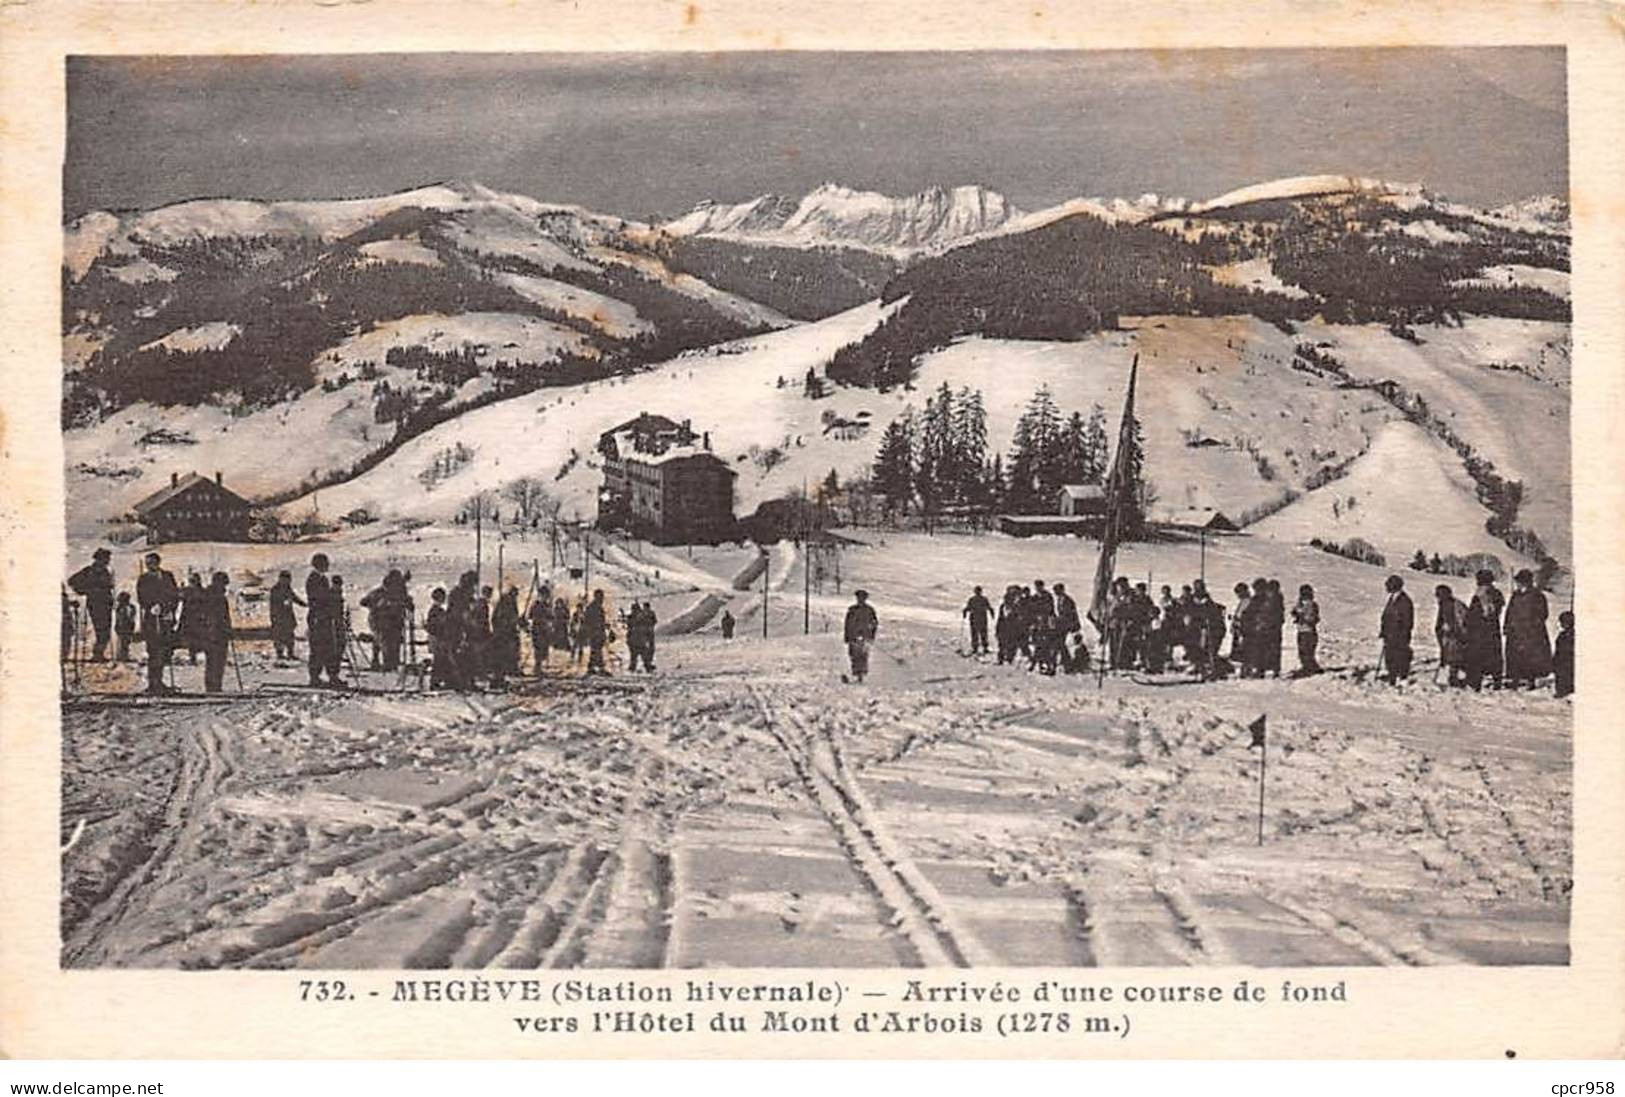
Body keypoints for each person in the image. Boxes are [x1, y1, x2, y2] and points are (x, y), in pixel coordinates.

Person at [136, 552, 180, 695]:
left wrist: (169, 609)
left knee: (164, 651)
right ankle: (153, 684)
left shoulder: (167, 576)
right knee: (153, 651)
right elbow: (141, 597)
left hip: (166, 619)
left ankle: (159, 682)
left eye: (152, 562)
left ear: (158, 562)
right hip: (151, 619)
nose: (149, 565)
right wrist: (150, 607)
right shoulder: (143, 579)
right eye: (147, 563)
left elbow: (174, 595)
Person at [1504, 568, 1552, 689]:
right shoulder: (1515, 595)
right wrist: (1506, 625)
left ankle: (1531, 680)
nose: (1518, 584)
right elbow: (1509, 611)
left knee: (1530, 656)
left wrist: (1533, 626)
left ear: (1527, 582)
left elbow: (1543, 614)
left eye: (1520, 581)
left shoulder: (1538, 595)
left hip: (1531, 632)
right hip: (1515, 631)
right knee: (1514, 655)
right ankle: (1515, 680)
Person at [67, 547, 115, 661]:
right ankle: (97, 654)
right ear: (99, 559)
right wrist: (85, 591)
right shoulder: (89, 571)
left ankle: (99, 653)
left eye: (108, 559)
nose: (108, 561)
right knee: (101, 630)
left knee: (106, 630)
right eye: (106, 558)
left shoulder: (106, 571)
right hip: (95, 603)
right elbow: (72, 581)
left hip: (106, 604)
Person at [361, 569, 413, 672]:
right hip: (379, 621)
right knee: (383, 642)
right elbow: (364, 602)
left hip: (395, 621)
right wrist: (378, 605)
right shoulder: (379, 592)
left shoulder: (400, 590)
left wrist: (407, 605)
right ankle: (385, 663)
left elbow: (406, 601)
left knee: (394, 641)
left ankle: (392, 663)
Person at [305, 553, 343, 687]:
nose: (328, 566)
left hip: (325, 619)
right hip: (318, 618)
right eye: (325, 563)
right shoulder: (313, 579)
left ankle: (332, 676)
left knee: (329, 648)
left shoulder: (323, 579)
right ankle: (315, 678)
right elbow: (319, 599)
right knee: (317, 649)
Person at [1466, 569, 1506, 691]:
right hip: (1492, 629)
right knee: (1493, 655)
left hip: (1480, 631)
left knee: (1478, 656)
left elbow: (1474, 614)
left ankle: (1476, 682)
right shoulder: (1496, 593)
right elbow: (1498, 610)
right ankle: (1496, 680)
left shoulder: (1480, 594)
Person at [199, 571, 234, 693]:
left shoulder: (211, 595)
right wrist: (225, 629)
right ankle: (214, 687)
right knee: (216, 661)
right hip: (216, 634)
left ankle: (214, 686)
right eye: (224, 584)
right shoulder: (215, 597)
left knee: (214, 661)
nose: (225, 587)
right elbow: (216, 617)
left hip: (216, 633)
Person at [1379, 574, 1415, 684]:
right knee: (1390, 656)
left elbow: (1407, 620)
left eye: (1389, 585)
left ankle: (1402, 677)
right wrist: (1383, 630)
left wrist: (1402, 633)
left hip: (1399, 635)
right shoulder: (1392, 598)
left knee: (1400, 656)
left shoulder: (1405, 600)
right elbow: (1386, 616)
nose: (1386, 587)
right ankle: (1392, 676)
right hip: (1390, 634)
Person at [1434, 584, 1470, 688]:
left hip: (1456, 637)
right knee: (1449, 657)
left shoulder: (1454, 605)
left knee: (1455, 658)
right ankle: (1450, 678)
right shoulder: (1444, 604)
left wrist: (1457, 633)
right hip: (1449, 637)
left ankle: (1455, 679)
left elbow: (1462, 622)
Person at [843, 589, 879, 683]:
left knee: (863, 656)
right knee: (854, 656)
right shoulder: (852, 610)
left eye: (862, 598)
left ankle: (861, 675)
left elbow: (874, 623)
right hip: (853, 636)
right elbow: (847, 624)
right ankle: (855, 674)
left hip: (865, 637)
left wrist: (872, 635)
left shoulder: (870, 611)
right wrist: (847, 636)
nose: (860, 599)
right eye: (859, 598)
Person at [268, 570, 303, 661]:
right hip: (279, 616)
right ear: (280, 579)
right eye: (285, 579)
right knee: (279, 636)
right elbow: (274, 605)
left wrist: (304, 604)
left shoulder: (288, 588)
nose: (287, 582)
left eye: (288, 580)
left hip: (288, 616)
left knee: (290, 635)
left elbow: (295, 598)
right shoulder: (275, 590)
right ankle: (280, 654)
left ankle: (290, 653)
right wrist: (274, 618)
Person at [490, 585, 521, 687]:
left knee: (507, 655)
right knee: (501, 657)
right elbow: (498, 619)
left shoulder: (511, 603)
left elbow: (513, 618)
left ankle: (502, 677)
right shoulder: (505, 603)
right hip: (502, 634)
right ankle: (497, 680)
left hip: (508, 633)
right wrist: (508, 623)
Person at [1290, 584, 1321, 676]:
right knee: (1303, 651)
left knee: (1307, 651)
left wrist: (1301, 617)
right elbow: (1295, 611)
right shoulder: (1300, 604)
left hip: (1309, 631)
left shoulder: (1312, 605)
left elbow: (1313, 618)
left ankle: (1310, 668)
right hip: (1302, 630)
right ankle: (1308, 667)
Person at [178, 572, 207, 665]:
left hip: (197, 619)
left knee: (198, 639)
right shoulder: (188, 591)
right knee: (191, 640)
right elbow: (179, 597)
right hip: (189, 618)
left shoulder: (202, 591)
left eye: (193, 580)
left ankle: (195, 657)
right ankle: (192, 657)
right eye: (191, 580)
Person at [425, 587, 451, 689]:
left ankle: (438, 681)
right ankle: (435, 682)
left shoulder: (436, 610)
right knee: (439, 661)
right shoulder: (436, 611)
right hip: (438, 639)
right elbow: (435, 626)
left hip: (437, 639)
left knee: (440, 660)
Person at [582, 588, 610, 675]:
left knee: (596, 650)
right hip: (594, 632)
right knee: (596, 650)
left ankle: (592, 667)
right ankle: (598, 668)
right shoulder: (592, 608)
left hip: (598, 632)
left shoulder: (597, 607)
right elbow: (587, 621)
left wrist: (605, 626)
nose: (602, 599)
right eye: (601, 597)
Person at [527, 582, 553, 674]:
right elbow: (530, 616)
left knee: (543, 649)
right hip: (537, 629)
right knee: (538, 648)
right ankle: (537, 667)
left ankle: (539, 667)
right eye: (544, 595)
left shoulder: (546, 605)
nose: (545, 597)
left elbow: (550, 617)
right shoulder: (536, 605)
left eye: (546, 596)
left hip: (544, 629)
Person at [1230, 582, 1255, 676]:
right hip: (1240, 628)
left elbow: (1245, 616)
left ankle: (1248, 669)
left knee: (1246, 649)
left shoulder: (1249, 602)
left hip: (1245, 629)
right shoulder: (1243, 601)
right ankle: (1245, 669)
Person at [1264, 578, 1286, 678]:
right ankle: (1274, 669)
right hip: (1275, 628)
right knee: (1274, 649)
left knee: (1270, 648)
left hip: (1271, 628)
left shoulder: (1273, 600)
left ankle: (1272, 669)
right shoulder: (1278, 599)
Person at [962, 586, 993, 656]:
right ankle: (984, 647)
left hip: (975, 619)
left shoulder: (972, 599)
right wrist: (992, 614)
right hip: (981, 619)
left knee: (976, 633)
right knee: (982, 633)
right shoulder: (984, 599)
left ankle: (976, 648)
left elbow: (967, 608)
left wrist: (964, 613)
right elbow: (989, 608)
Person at [1553, 610, 1575, 698]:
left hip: (1563, 662)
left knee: (1563, 674)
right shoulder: (1566, 635)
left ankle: (1562, 690)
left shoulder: (1564, 636)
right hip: (1564, 662)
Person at [114, 591, 136, 663]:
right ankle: (121, 655)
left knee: (126, 641)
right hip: (122, 627)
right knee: (122, 641)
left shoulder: (131, 607)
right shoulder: (119, 608)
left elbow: (132, 617)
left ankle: (124, 655)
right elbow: (118, 619)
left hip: (128, 626)